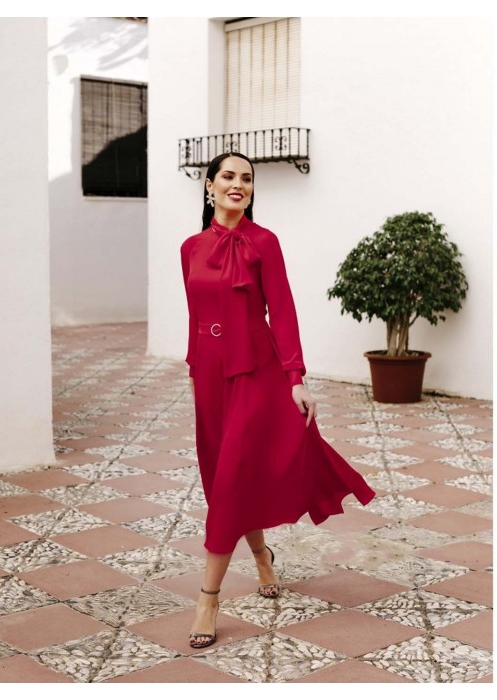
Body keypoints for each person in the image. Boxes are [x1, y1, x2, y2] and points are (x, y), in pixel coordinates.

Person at [180, 152, 375, 649]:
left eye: (247, 178)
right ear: (210, 185)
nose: (238, 184)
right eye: (229, 176)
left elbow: (282, 310)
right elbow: (195, 314)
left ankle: (207, 598)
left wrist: (296, 377)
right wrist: (195, 367)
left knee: (231, 480)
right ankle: (263, 557)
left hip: (258, 374)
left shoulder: (264, 243)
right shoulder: (189, 248)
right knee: (223, 476)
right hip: (210, 378)